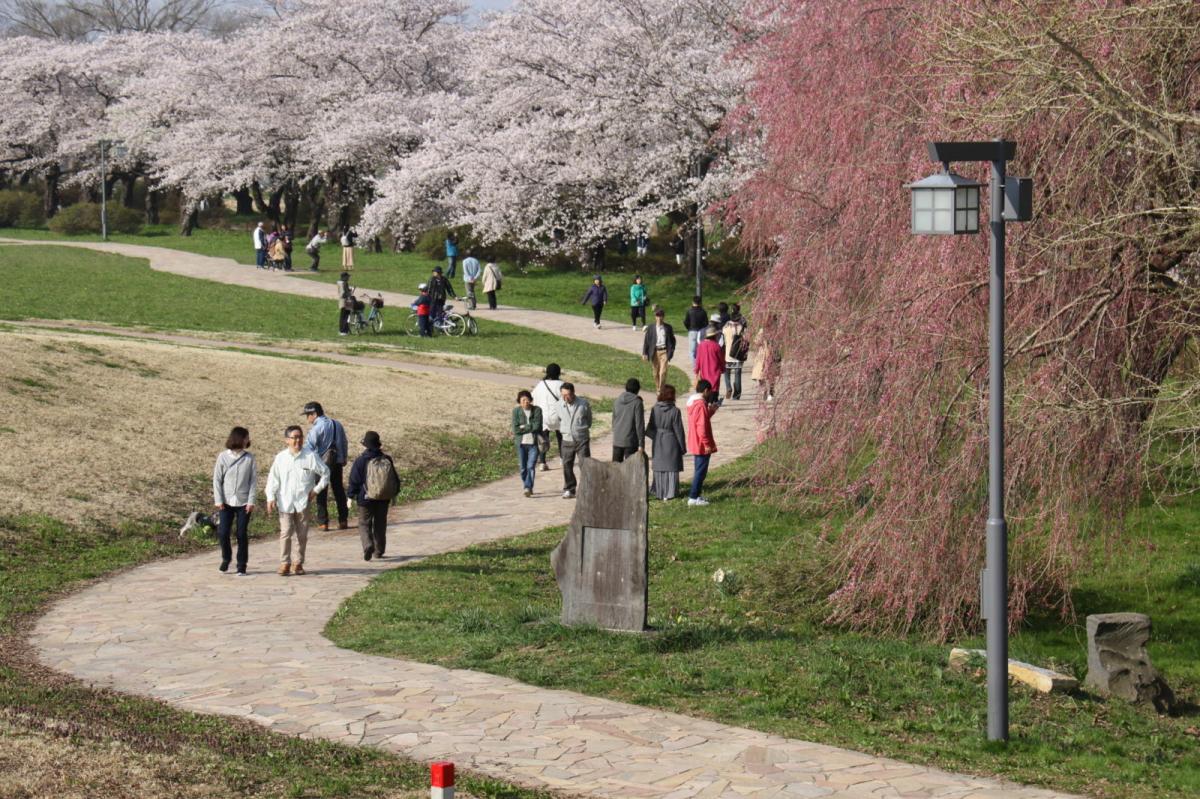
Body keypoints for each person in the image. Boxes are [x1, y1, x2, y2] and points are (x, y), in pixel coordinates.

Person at [265, 425, 330, 575]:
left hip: (303, 502)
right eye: (294, 437)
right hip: (285, 502)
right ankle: (284, 563)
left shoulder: (310, 456)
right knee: (286, 533)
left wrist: (316, 490)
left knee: (302, 535)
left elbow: (326, 473)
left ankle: (298, 563)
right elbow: (273, 479)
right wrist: (270, 497)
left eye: (300, 436)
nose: (298, 440)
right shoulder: (281, 458)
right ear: (287, 440)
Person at [346, 430, 399, 561]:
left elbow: (354, 480)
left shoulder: (361, 460)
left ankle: (368, 545)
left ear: (366, 445)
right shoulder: (387, 459)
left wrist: (350, 496)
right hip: (383, 498)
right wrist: (394, 493)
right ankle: (379, 550)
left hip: (365, 498)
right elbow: (394, 479)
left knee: (364, 523)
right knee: (380, 524)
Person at [212, 426, 256, 575]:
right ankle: (226, 558)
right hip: (226, 502)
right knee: (223, 532)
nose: (248, 440)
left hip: (244, 502)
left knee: (241, 533)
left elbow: (253, 481)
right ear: (239, 438)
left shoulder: (249, 458)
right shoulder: (223, 457)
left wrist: (251, 501)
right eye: (246, 437)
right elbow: (217, 480)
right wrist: (218, 499)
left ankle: (241, 565)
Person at [301, 401, 348, 531]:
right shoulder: (337, 424)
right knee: (338, 490)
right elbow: (344, 442)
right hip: (337, 462)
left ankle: (323, 522)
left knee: (321, 490)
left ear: (314, 414)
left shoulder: (316, 428)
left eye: (308, 415)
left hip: (321, 463)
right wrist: (343, 457)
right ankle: (343, 520)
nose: (307, 418)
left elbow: (309, 447)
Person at [547, 381, 591, 499]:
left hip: (581, 438)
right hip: (566, 439)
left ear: (573, 393)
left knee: (585, 464)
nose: (566, 398)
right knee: (567, 464)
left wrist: (581, 429)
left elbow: (589, 420)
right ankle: (569, 489)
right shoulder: (558, 405)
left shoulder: (583, 403)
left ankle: (587, 488)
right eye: (563, 395)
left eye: (568, 395)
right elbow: (556, 420)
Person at [645, 385, 686, 501]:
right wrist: (682, 447)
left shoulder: (655, 409)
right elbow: (679, 430)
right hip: (671, 440)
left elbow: (650, 427)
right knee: (671, 467)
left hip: (658, 439)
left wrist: (656, 437)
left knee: (659, 466)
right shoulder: (675, 411)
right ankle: (670, 492)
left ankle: (658, 490)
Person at [686, 379, 720, 506]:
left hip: (695, 440)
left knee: (699, 470)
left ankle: (696, 495)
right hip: (701, 443)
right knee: (701, 471)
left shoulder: (693, 403)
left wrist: (711, 410)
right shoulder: (700, 405)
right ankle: (693, 497)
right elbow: (701, 426)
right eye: (709, 392)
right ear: (705, 390)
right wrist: (706, 444)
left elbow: (701, 420)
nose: (709, 394)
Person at [532, 363, 564, 471]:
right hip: (559, 416)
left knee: (543, 439)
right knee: (561, 437)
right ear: (559, 373)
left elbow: (533, 398)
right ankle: (563, 459)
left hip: (543, 416)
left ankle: (542, 462)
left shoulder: (540, 385)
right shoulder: (562, 385)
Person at [512, 390, 543, 497]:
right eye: (523, 400)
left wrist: (524, 426)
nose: (525, 402)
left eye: (527, 399)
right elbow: (516, 430)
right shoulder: (516, 411)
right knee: (523, 468)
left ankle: (527, 487)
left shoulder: (537, 410)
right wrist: (529, 426)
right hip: (521, 444)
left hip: (533, 443)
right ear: (519, 402)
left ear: (531, 400)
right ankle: (527, 484)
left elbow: (537, 426)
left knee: (530, 466)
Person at [641, 306, 676, 394]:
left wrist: (671, 351)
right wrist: (644, 353)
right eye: (657, 316)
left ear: (663, 317)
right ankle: (658, 387)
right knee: (655, 373)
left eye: (660, 316)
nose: (659, 318)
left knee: (662, 372)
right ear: (655, 316)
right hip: (654, 352)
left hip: (664, 352)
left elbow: (673, 340)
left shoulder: (668, 327)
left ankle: (661, 389)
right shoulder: (651, 327)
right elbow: (647, 340)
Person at [611, 378, 645, 463]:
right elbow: (639, 425)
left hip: (617, 440)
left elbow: (613, 421)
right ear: (638, 389)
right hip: (631, 442)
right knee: (630, 471)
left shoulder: (617, 401)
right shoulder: (637, 402)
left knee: (616, 470)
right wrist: (641, 444)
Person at [722, 304, 748, 400]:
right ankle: (737, 395)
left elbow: (722, 339)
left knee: (726, 372)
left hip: (728, 354)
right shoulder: (742, 328)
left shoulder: (726, 327)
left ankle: (728, 387)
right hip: (738, 355)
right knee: (738, 374)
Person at [695, 325, 726, 390]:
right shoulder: (717, 346)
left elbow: (698, 360)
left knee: (705, 392)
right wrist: (723, 369)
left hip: (704, 374)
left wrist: (697, 370)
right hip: (715, 374)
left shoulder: (701, 345)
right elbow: (721, 359)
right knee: (714, 392)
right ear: (714, 336)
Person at [683, 296, 708, 367]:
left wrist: (689, 328)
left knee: (692, 351)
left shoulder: (689, 311)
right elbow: (706, 323)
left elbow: (686, 322)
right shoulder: (703, 311)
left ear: (692, 302)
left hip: (692, 331)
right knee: (701, 349)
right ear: (700, 302)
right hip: (701, 331)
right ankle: (702, 364)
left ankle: (695, 366)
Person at [336, 271, 354, 336]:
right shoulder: (344, 283)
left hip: (341, 301)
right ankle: (344, 331)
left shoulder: (339, 282)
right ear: (344, 277)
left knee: (342, 316)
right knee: (346, 316)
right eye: (347, 276)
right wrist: (350, 292)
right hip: (346, 301)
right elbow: (344, 293)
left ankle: (341, 330)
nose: (348, 278)